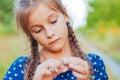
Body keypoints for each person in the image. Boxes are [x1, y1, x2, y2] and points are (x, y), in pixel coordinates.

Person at [3, 0, 108, 80]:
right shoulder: (21, 67)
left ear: (65, 15)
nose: (49, 33)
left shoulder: (94, 63)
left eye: (53, 21)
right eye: (38, 30)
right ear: (30, 34)